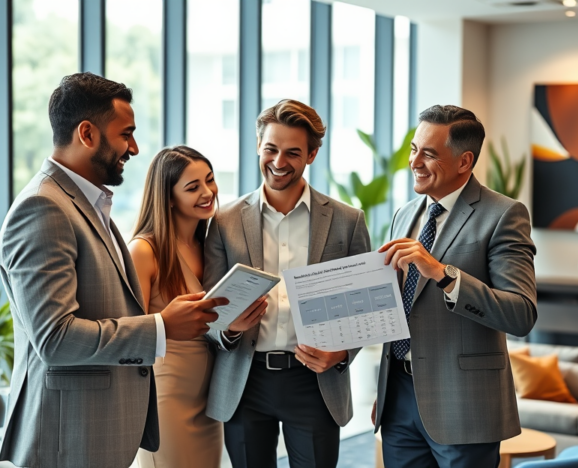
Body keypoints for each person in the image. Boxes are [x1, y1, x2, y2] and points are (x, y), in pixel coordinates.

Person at [0, 73, 225, 468]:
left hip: (96, 432)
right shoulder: (44, 208)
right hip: (67, 436)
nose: (134, 148)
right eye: (126, 134)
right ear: (87, 133)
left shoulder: (86, 205)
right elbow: (54, 338)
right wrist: (162, 327)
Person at [203, 99, 371, 468]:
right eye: (271, 149)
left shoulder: (347, 222)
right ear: (258, 147)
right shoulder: (224, 221)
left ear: (311, 154)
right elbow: (209, 312)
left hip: (313, 382)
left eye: (293, 153)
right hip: (245, 380)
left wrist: (341, 354)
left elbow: (366, 308)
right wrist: (229, 329)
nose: (279, 162)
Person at [372, 104, 537, 468]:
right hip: (399, 397)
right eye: (414, 149)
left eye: (429, 154)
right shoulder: (404, 214)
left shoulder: (504, 214)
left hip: (464, 404)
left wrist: (444, 274)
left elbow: (521, 314)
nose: (414, 162)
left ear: (464, 161)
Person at [127, 146, 267, 468]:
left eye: (210, 180)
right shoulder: (145, 251)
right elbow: (130, 333)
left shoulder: (210, 245)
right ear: (168, 197)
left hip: (211, 396)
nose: (208, 193)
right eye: (193, 187)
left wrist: (234, 323)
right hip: (167, 395)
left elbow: (213, 326)